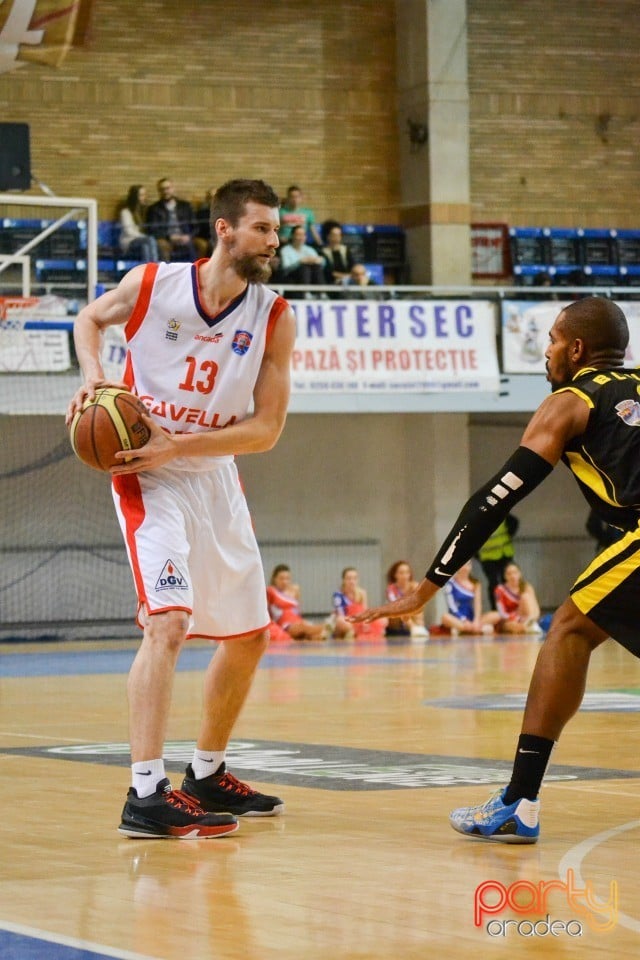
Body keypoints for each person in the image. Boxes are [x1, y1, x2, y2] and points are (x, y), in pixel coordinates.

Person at [350, 296, 640, 843]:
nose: (548, 351)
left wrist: (426, 588)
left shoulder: (570, 402)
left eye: (554, 340)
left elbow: (493, 501)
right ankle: (518, 801)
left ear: (577, 348)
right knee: (576, 627)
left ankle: (519, 801)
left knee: (570, 628)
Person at [66, 178, 295, 839]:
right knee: (168, 622)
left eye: (277, 231)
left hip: (211, 472)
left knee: (250, 636)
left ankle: (206, 772)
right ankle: (145, 793)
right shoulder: (153, 284)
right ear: (224, 229)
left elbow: (267, 430)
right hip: (146, 474)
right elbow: (89, 318)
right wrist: (94, 376)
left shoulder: (274, 315)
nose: (273, 241)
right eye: (262, 229)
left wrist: (185, 445)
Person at [267, 564, 329, 641]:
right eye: (281, 578)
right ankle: (324, 628)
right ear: (274, 579)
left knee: (308, 629)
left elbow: (296, 611)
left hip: (298, 622)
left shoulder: (294, 592)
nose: (284, 581)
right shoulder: (270, 591)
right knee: (304, 627)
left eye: (287, 578)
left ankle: (313, 634)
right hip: (284, 625)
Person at [441, 561, 500, 636]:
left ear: (471, 566)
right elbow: (451, 605)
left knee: (496, 615)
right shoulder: (450, 583)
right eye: (462, 565)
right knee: (445, 617)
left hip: (472, 618)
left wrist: (476, 620)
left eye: (468, 565)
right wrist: (463, 619)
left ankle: (465, 630)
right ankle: (477, 629)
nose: (465, 568)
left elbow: (477, 604)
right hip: (457, 618)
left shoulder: (475, 583)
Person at [145, 177, 196, 262]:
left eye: (167, 188)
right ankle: (166, 273)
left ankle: (195, 271)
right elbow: (152, 229)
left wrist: (188, 236)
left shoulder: (185, 206)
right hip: (165, 238)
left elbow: (195, 226)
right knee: (163, 246)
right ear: (159, 192)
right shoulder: (153, 209)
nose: (165, 191)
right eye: (162, 189)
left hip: (184, 236)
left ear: (173, 189)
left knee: (200, 245)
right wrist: (169, 237)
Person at [330, 566, 386, 642]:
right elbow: (341, 614)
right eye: (349, 578)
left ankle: (359, 632)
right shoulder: (338, 595)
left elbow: (365, 610)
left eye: (354, 578)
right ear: (343, 580)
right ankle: (352, 632)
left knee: (383, 619)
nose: (352, 581)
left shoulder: (362, 593)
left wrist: (365, 622)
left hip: (359, 619)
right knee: (340, 620)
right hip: (347, 620)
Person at [476, 515, 518, 609]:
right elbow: (471, 541)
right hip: (488, 558)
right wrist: (478, 556)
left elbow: (515, 522)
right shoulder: (477, 521)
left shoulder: (501, 515)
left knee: (508, 581)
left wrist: (508, 535)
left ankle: (511, 607)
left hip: (504, 554)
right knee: (493, 583)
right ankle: (495, 609)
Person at [493, 561, 542, 634]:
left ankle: (530, 625)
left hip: (526, 618)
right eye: (509, 573)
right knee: (495, 617)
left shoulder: (526, 587)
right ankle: (526, 628)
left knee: (525, 596)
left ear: (520, 574)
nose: (513, 576)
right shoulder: (499, 589)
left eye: (515, 572)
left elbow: (536, 610)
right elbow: (501, 613)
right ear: (505, 576)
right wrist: (517, 619)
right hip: (509, 620)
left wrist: (531, 620)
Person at [385, 561, 429, 640]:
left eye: (407, 572)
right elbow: (396, 605)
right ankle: (414, 628)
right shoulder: (391, 588)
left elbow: (420, 604)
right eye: (401, 573)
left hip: (411, 614)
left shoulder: (415, 586)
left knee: (418, 607)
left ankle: (419, 626)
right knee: (398, 609)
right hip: (397, 619)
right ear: (395, 575)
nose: (404, 576)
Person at [118, 185, 159, 263]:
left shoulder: (144, 212)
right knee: (149, 240)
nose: (144, 197)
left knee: (145, 246)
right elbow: (129, 232)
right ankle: (155, 266)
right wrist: (144, 237)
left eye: (145, 194)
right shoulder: (125, 212)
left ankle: (148, 269)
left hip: (143, 242)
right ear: (134, 197)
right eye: (141, 195)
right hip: (129, 242)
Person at [320, 221, 354, 285]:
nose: (337, 238)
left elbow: (352, 266)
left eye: (339, 235)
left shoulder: (345, 250)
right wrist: (344, 277)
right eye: (334, 235)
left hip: (348, 279)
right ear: (328, 236)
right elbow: (328, 272)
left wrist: (349, 276)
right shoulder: (323, 252)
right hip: (331, 282)